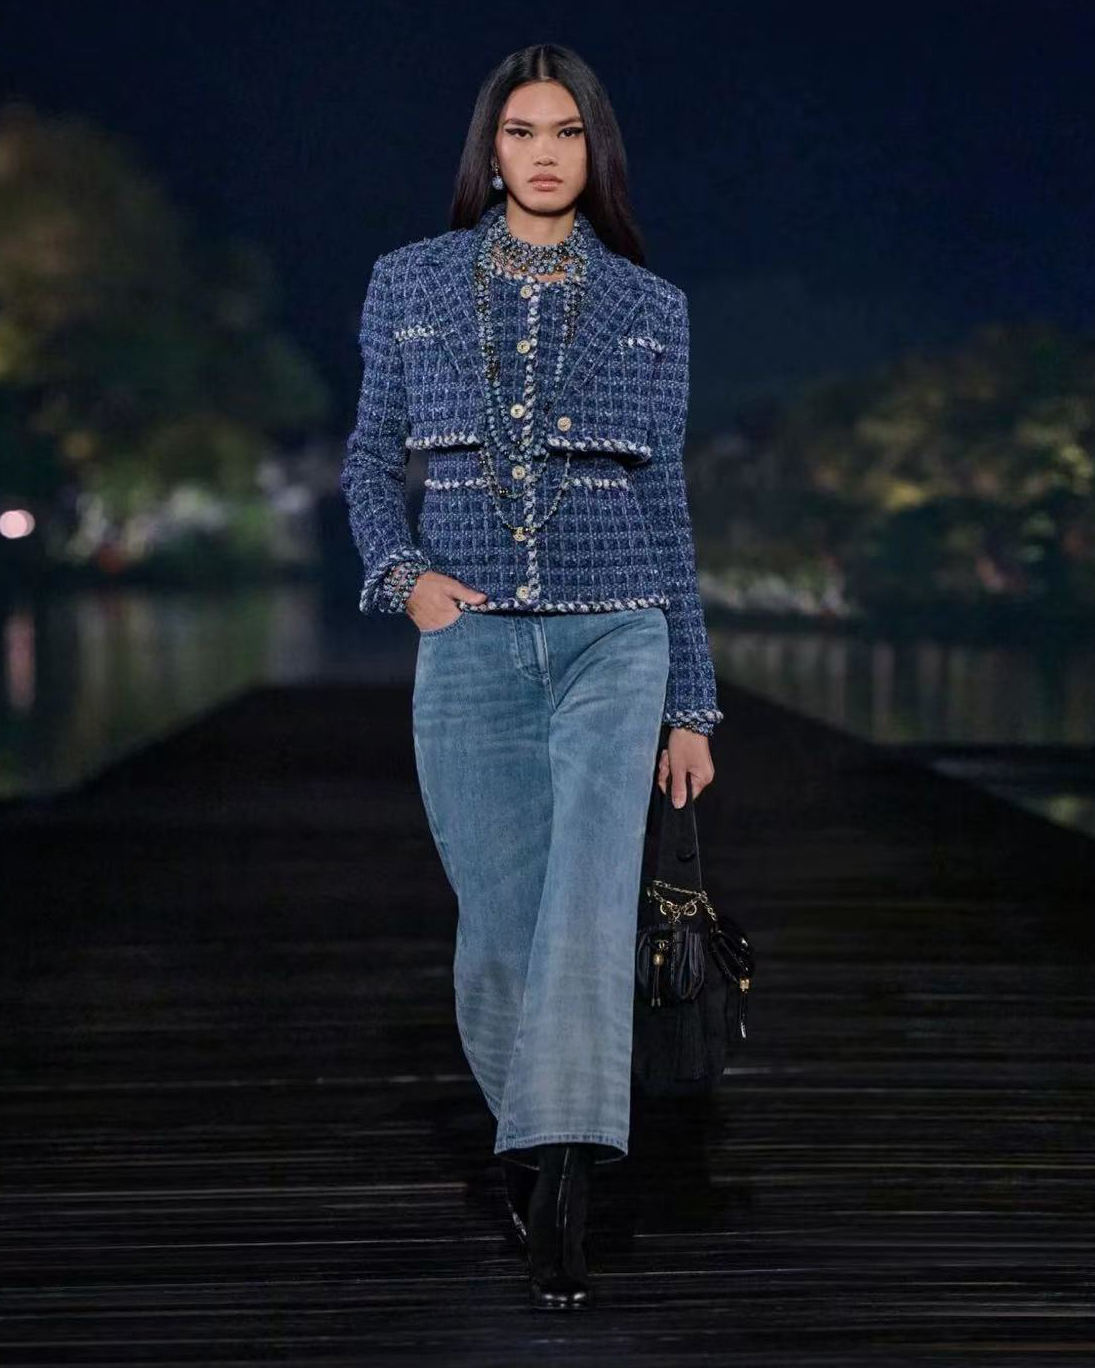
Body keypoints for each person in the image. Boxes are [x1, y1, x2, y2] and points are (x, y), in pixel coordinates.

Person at [340, 42, 722, 1310]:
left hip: (618, 636)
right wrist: (406, 577)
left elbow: (667, 503)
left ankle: (566, 1175)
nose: (545, 153)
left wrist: (690, 701)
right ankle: (531, 1135)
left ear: (594, 151)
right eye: (521, 132)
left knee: (588, 911)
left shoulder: (651, 306)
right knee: (501, 926)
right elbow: (367, 462)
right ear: (490, 151)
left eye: (566, 132)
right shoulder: (409, 282)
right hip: (473, 641)